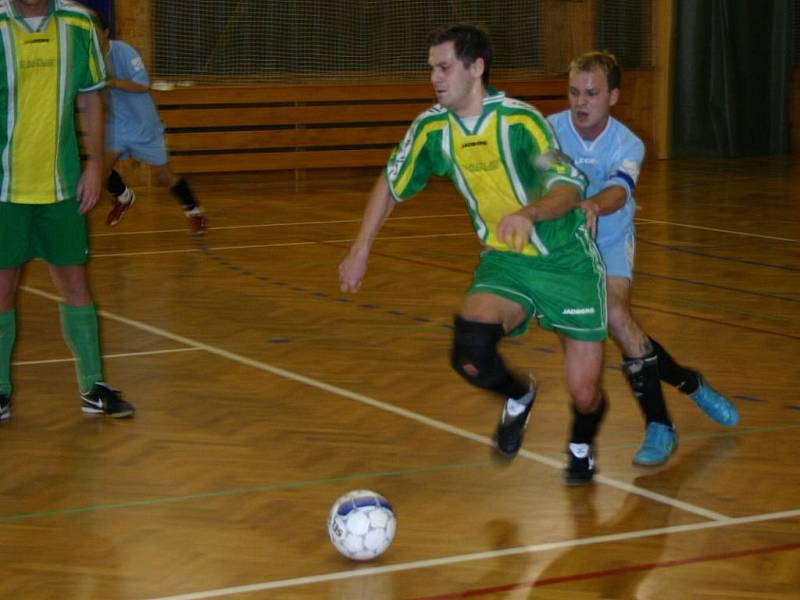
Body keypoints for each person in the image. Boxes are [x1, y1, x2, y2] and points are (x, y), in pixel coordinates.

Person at [339, 25, 608, 485]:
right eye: (431, 69)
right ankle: (519, 395)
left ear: (476, 68)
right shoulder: (432, 129)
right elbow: (391, 182)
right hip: (507, 262)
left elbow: (566, 187)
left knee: (584, 394)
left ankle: (581, 446)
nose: (435, 78)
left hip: (566, 260)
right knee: (470, 349)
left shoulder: (519, 122)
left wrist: (529, 212)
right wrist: (360, 248)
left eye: (444, 67)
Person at [547, 51, 738, 466]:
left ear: (613, 96)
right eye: (574, 92)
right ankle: (689, 381)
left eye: (592, 94)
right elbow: (530, 180)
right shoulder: (548, 132)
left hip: (611, 241)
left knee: (616, 316)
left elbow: (619, 191)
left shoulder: (627, 142)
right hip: (563, 251)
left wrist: (593, 206)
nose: (581, 102)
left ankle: (660, 426)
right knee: (585, 348)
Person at [0, 0, 134, 421]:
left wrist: (95, 164)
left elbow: (92, 98)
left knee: (75, 284)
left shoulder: (77, 23)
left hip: (62, 186)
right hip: (5, 188)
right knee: (2, 291)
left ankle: (93, 387)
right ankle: (0, 392)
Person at [96, 11, 207, 233]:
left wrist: (113, 82)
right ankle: (124, 197)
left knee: (164, 176)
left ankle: (194, 209)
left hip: (144, 124)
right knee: (100, 171)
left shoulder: (124, 52)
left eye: (95, 32)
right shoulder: (89, 57)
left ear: (106, 32)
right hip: (117, 126)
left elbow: (143, 85)